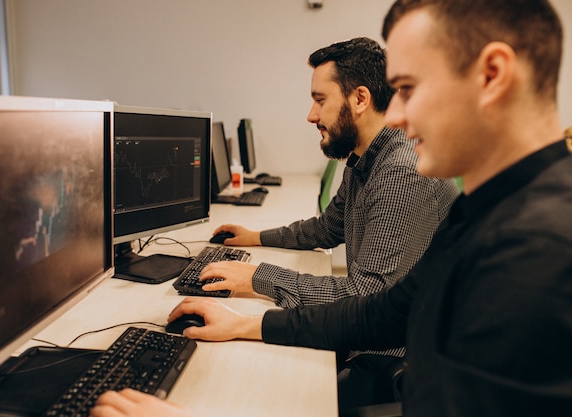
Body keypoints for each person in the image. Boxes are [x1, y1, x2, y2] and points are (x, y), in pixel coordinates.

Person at [90, 0, 572, 416]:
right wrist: (251, 323)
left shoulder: (535, 255)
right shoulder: (488, 209)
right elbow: (380, 314)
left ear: (492, 75)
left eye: (408, 89)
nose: (397, 115)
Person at [203, 36, 458, 408]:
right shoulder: (364, 157)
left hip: (396, 357)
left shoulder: (401, 171)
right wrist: (255, 236)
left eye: (320, 100)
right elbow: (328, 227)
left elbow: (364, 298)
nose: (311, 115)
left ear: (359, 99)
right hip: (370, 335)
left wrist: (258, 277)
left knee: (261, 392)